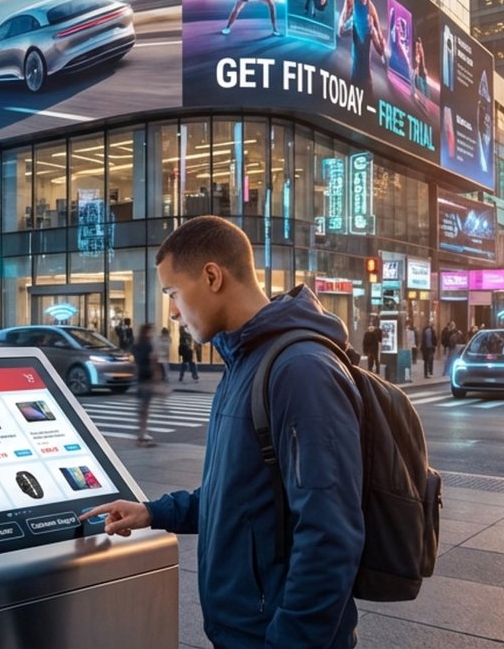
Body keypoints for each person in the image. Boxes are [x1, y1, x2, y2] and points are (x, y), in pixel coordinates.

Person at [85, 216, 363, 648]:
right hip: (244, 629)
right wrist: (154, 513)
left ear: (212, 276)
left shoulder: (299, 370)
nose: (173, 311)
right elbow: (239, 497)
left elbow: (331, 533)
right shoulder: (244, 363)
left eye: (173, 293)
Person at [337, 0, 387, 94]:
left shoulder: (372, 10)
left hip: (367, 80)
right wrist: (348, 27)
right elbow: (340, 31)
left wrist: (373, 34)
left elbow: (381, 50)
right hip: (354, 78)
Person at [131, 324, 160, 447]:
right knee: (145, 409)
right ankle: (142, 434)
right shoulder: (148, 345)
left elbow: (134, 361)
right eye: (151, 332)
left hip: (140, 378)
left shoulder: (136, 345)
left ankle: (141, 433)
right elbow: (153, 361)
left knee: (142, 409)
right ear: (147, 332)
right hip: (147, 378)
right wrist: (156, 376)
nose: (152, 334)